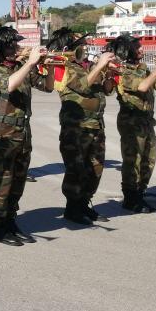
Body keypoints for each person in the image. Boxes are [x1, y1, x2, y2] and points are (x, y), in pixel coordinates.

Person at [0, 27, 53, 246]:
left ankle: (11, 221)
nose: (17, 47)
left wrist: (47, 68)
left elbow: (48, 87)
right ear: (1, 48)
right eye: (12, 45)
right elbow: (8, 85)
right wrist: (30, 62)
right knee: (3, 181)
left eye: (16, 44)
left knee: (19, 181)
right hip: (3, 133)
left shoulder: (21, 67)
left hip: (23, 131)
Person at [45, 28, 117, 225]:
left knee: (95, 169)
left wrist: (108, 73)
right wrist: (99, 65)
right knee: (76, 170)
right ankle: (73, 209)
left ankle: (84, 204)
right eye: (81, 46)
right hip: (76, 127)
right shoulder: (63, 66)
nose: (85, 48)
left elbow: (107, 90)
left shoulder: (87, 66)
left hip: (95, 125)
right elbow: (82, 86)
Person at [106, 34, 156, 213]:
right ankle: (130, 198)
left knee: (148, 161)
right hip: (131, 122)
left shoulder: (142, 68)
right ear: (127, 51)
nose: (142, 49)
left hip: (147, 121)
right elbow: (142, 87)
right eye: (138, 47)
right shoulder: (123, 70)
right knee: (132, 161)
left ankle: (140, 194)